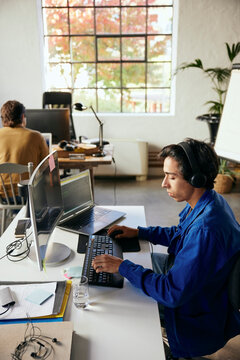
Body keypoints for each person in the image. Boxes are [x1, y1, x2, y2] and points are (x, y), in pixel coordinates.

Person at [92, 138, 240, 359]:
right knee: (131, 272)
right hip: (194, 282)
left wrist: (124, 267)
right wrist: (141, 232)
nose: (163, 183)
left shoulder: (206, 231)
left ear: (196, 179)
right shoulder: (209, 201)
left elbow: (171, 293)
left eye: (172, 177)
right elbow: (179, 234)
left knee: (118, 300)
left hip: (194, 310)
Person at [0, 100, 49, 197]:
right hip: (28, 194)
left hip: (2, 195)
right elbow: (49, 164)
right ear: (22, 117)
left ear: (3, 119)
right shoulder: (36, 136)